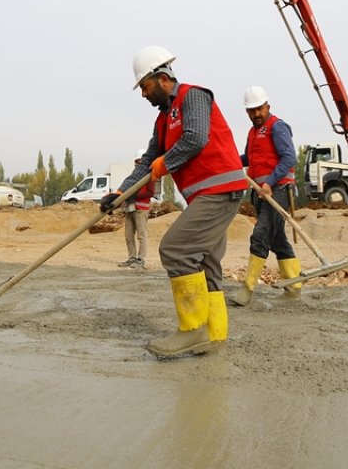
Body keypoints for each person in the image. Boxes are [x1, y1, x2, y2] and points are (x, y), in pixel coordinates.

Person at [100, 46, 248, 358]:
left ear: (163, 79)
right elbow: (147, 162)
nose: (143, 94)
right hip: (206, 196)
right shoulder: (163, 120)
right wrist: (120, 193)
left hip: (221, 190)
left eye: (145, 86)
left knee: (175, 249)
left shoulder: (194, 96)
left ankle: (192, 329)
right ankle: (214, 335)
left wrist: (165, 163)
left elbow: (195, 138)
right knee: (206, 261)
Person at [233, 86, 302, 306]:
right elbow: (249, 158)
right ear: (247, 112)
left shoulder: (277, 127)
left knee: (261, 235)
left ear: (268, 106)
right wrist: (230, 160)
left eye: (260, 109)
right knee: (278, 239)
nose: (256, 114)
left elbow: (289, 157)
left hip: (278, 191)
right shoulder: (252, 133)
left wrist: (269, 182)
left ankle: (247, 289)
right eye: (252, 110)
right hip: (260, 194)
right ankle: (294, 287)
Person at [117, 155, 156, 270]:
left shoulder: (149, 175)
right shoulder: (134, 177)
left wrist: (133, 194)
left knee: (141, 235)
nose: (138, 163)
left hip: (141, 209)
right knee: (128, 235)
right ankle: (132, 258)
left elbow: (150, 192)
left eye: (140, 161)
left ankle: (141, 259)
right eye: (137, 161)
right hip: (130, 208)